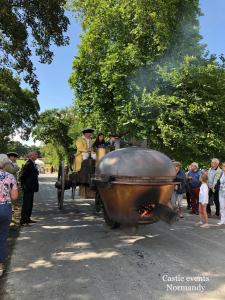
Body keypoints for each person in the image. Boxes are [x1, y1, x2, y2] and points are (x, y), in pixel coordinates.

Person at [0, 154, 18, 276]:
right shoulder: (10, 176)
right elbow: (14, 197)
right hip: (4, 208)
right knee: (2, 238)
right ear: (5, 164)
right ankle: (0, 266)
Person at [20, 151, 39, 226]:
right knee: (26, 204)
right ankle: (23, 221)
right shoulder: (28, 163)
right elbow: (22, 175)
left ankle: (27, 219)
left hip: (30, 187)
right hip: (27, 188)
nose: (37, 155)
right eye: (35, 154)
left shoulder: (32, 163)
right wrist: (24, 185)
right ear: (31, 156)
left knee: (30, 204)